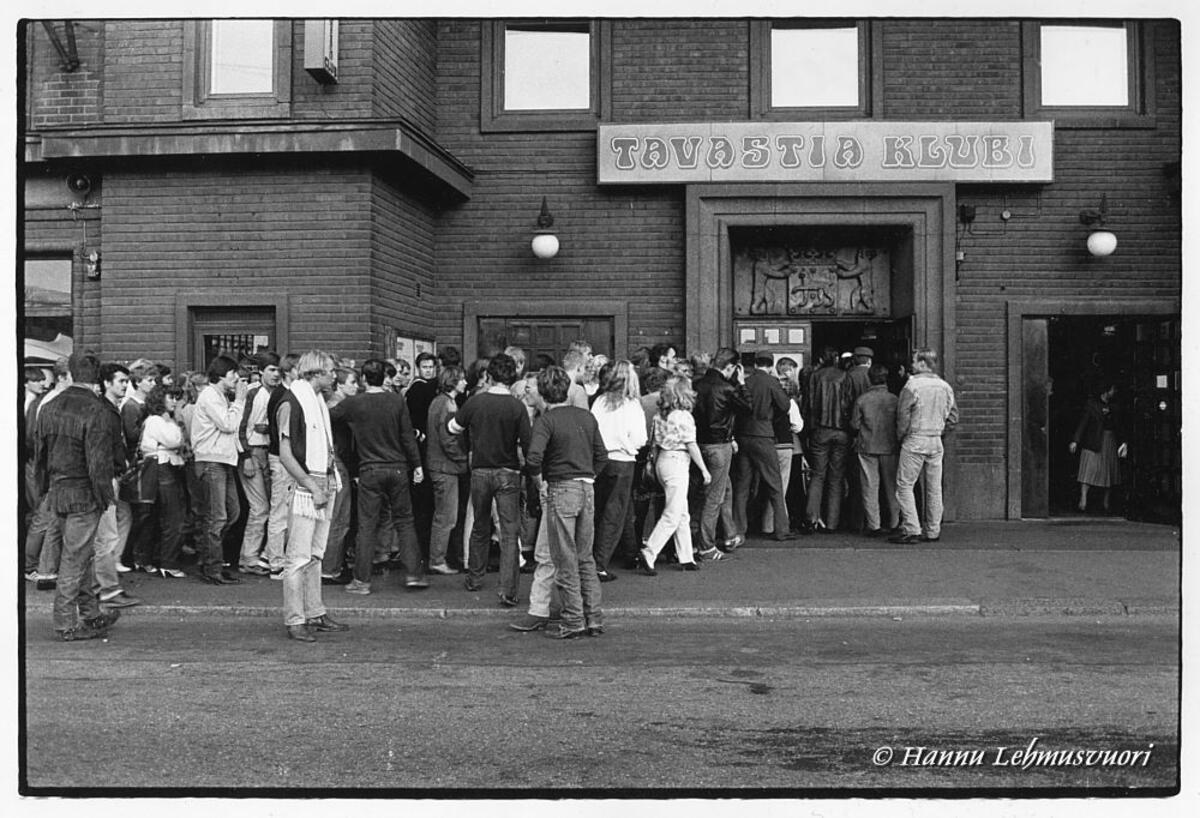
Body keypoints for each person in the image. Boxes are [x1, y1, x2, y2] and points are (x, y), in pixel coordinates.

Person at [33, 353, 122, 641]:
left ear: (70, 373)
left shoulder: (50, 406)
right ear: (96, 377)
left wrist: (44, 489)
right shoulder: (96, 410)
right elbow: (98, 462)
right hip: (84, 493)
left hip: (58, 491)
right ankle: (66, 623)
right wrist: (105, 495)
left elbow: (41, 455)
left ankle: (90, 614)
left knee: (79, 555)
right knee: (76, 558)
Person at [524, 366, 609, 638]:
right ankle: (593, 617)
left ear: (544, 391)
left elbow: (533, 458)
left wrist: (541, 483)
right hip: (587, 487)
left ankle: (573, 620)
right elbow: (601, 455)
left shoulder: (546, 421)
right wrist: (589, 474)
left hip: (561, 486)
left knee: (564, 557)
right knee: (585, 557)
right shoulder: (586, 416)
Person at [330, 358, 427, 595]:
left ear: (363, 379)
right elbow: (406, 435)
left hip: (369, 469)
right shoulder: (396, 401)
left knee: (367, 525)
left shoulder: (353, 403)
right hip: (397, 468)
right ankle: (414, 574)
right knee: (404, 521)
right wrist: (417, 465)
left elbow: (329, 416)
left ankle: (361, 581)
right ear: (384, 376)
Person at [275, 350, 350, 642]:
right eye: (331, 371)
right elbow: (285, 453)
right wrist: (312, 485)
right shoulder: (292, 402)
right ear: (316, 372)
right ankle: (295, 619)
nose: (335, 376)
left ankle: (314, 611)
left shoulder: (315, 400)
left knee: (315, 555)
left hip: (324, 481)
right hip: (309, 486)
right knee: (298, 558)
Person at [448, 353, 531, 606]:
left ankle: (474, 577)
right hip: (509, 472)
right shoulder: (517, 406)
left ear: (491, 375)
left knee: (480, 525)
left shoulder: (476, 402)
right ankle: (508, 590)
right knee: (509, 531)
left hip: (481, 471)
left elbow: (453, 427)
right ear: (512, 377)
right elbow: (527, 444)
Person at [638, 376, 711, 574]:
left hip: (662, 460)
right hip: (678, 461)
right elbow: (691, 444)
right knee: (672, 513)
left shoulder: (659, 415)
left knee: (681, 512)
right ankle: (649, 551)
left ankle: (686, 556)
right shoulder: (683, 416)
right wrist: (704, 469)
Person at [890, 349, 958, 544]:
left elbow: (903, 416)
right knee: (934, 488)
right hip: (936, 440)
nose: (911, 364)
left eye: (914, 361)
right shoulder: (945, 387)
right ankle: (933, 530)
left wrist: (901, 437)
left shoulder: (912, 386)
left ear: (921, 363)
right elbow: (953, 417)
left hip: (915, 438)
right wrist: (940, 430)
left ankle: (912, 528)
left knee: (904, 486)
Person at [190, 354, 248, 585]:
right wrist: (240, 400)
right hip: (212, 461)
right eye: (233, 373)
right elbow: (228, 424)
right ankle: (212, 568)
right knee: (217, 517)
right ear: (221, 375)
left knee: (231, 513)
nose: (237, 378)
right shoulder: (210, 396)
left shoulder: (220, 396)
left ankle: (209, 560)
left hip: (224, 461)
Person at [589, 359, 647, 581]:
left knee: (603, 510)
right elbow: (640, 439)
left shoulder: (599, 402)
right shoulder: (631, 405)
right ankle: (600, 563)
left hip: (600, 460)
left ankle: (630, 552)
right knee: (615, 512)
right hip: (623, 460)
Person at [692, 347, 750, 559]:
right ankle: (706, 545)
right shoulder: (727, 387)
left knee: (722, 489)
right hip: (719, 445)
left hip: (698, 445)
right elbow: (748, 408)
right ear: (731, 367)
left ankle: (729, 534)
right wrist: (741, 383)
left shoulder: (696, 384)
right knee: (714, 496)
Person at [92, 362, 141, 607]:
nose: (125, 385)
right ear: (107, 383)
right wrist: (116, 470)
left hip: (111, 476)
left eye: (126, 381)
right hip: (107, 478)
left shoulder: (111, 409)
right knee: (107, 535)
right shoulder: (105, 411)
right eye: (121, 381)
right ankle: (108, 590)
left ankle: (102, 587)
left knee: (109, 532)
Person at [732, 352, 795, 543]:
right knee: (775, 483)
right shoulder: (771, 382)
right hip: (764, 435)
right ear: (770, 364)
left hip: (744, 435)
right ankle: (781, 529)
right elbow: (784, 406)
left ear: (755, 363)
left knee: (742, 486)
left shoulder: (746, 382)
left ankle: (738, 530)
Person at [134, 385, 189, 576]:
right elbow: (174, 441)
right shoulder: (158, 421)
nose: (175, 401)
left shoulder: (152, 420)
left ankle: (144, 558)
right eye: (171, 397)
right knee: (174, 516)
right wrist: (174, 423)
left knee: (153, 516)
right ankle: (168, 562)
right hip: (164, 466)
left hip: (157, 467)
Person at [236, 351, 282, 575]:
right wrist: (245, 456)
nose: (276, 374)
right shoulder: (254, 393)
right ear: (261, 371)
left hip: (265, 451)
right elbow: (240, 425)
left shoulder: (273, 393)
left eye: (278, 370)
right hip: (253, 452)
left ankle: (256, 554)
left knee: (267, 507)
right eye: (272, 370)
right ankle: (249, 557)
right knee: (260, 508)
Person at [803, 346, 852, 533]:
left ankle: (812, 519)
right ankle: (832, 522)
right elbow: (848, 403)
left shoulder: (814, 376)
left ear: (822, 359)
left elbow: (807, 405)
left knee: (817, 475)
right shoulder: (844, 376)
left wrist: (808, 431)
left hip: (820, 431)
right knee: (836, 477)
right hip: (841, 431)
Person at [425, 365, 469, 574]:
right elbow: (448, 439)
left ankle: (438, 557)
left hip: (440, 466)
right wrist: (463, 459)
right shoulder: (447, 405)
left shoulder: (440, 402)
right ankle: (437, 559)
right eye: (462, 379)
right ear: (453, 381)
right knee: (446, 516)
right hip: (446, 467)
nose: (465, 383)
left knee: (444, 515)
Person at [850, 363, 900, 537]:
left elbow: (855, 424)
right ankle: (895, 522)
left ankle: (874, 525)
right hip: (890, 446)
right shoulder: (895, 399)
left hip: (867, 446)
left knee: (870, 486)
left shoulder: (862, 400)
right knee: (892, 486)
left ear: (869, 379)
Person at [321, 366, 360, 584]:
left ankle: (332, 564)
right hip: (338, 464)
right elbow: (343, 445)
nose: (356, 386)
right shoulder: (338, 408)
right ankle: (330, 568)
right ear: (341, 384)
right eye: (353, 382)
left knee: (337, 517)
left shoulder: (333, 406)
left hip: (337, 462)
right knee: (339, 517)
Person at [264, 353, 301, 578]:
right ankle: (275, 561)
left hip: (280, 457)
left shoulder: (281, 394)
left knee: (282, 510)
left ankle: (274, 556)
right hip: (282, 458)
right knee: (279, 510)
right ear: (290, 371)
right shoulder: (284, 396)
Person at [1069, 381, 1127, 514]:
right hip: (1093, 440)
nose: (1114, 392)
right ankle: (1083, 499)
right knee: (1088, 469)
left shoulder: (1114, 406)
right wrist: (1075, 441)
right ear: (1106, 391)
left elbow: (1119, 425)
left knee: (1108, 471)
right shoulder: (1092, 404)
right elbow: (1083, 423)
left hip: (1109, 440)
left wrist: (1124, 442)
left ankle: (1106, 503)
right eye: (1112, 389)